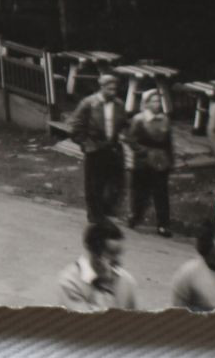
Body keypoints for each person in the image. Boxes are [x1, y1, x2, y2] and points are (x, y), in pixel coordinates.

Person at [68, 72, 129, 223]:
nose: (113, 92)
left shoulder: (119, 104)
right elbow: (75, 127)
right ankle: (95, 215)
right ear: (101, 87)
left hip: (113, 148)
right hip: (95, 147)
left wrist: (124, 135)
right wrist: (86, 144)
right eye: (109, 89)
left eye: (115, 89)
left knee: (116, 182)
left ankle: (107, 210)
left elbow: (124, 124)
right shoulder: (88, 103)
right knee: (94, 183)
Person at [56, 220, 139, 311]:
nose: (118, 260)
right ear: (94, 253)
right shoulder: (70, 282)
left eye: (119, 253)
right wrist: (105, 285)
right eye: (112, 253)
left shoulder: (126, 281)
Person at [124, 87, 174, 236]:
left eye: (159, 101)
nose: (157, 104)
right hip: (143, 160)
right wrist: (143, 152)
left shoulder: (165, 119)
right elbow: (131, 139)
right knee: (140, 191)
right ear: (146, 103)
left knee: (161, 193)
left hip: (161, 160)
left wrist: (170, 159)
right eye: (153, 101)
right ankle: (135, 215)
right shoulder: (139, 119)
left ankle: (163, 224)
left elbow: (169, 142)